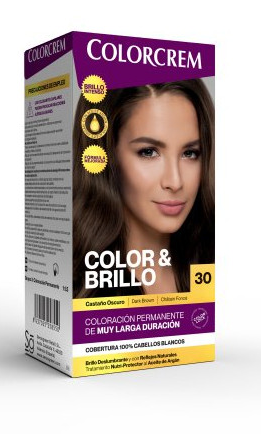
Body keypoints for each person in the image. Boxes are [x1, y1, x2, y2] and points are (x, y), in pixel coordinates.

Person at [73, 80, 214, 297]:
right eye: (148, 152)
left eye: (190, 153)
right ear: (108, 155)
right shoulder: (79, 287)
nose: (175, 182)